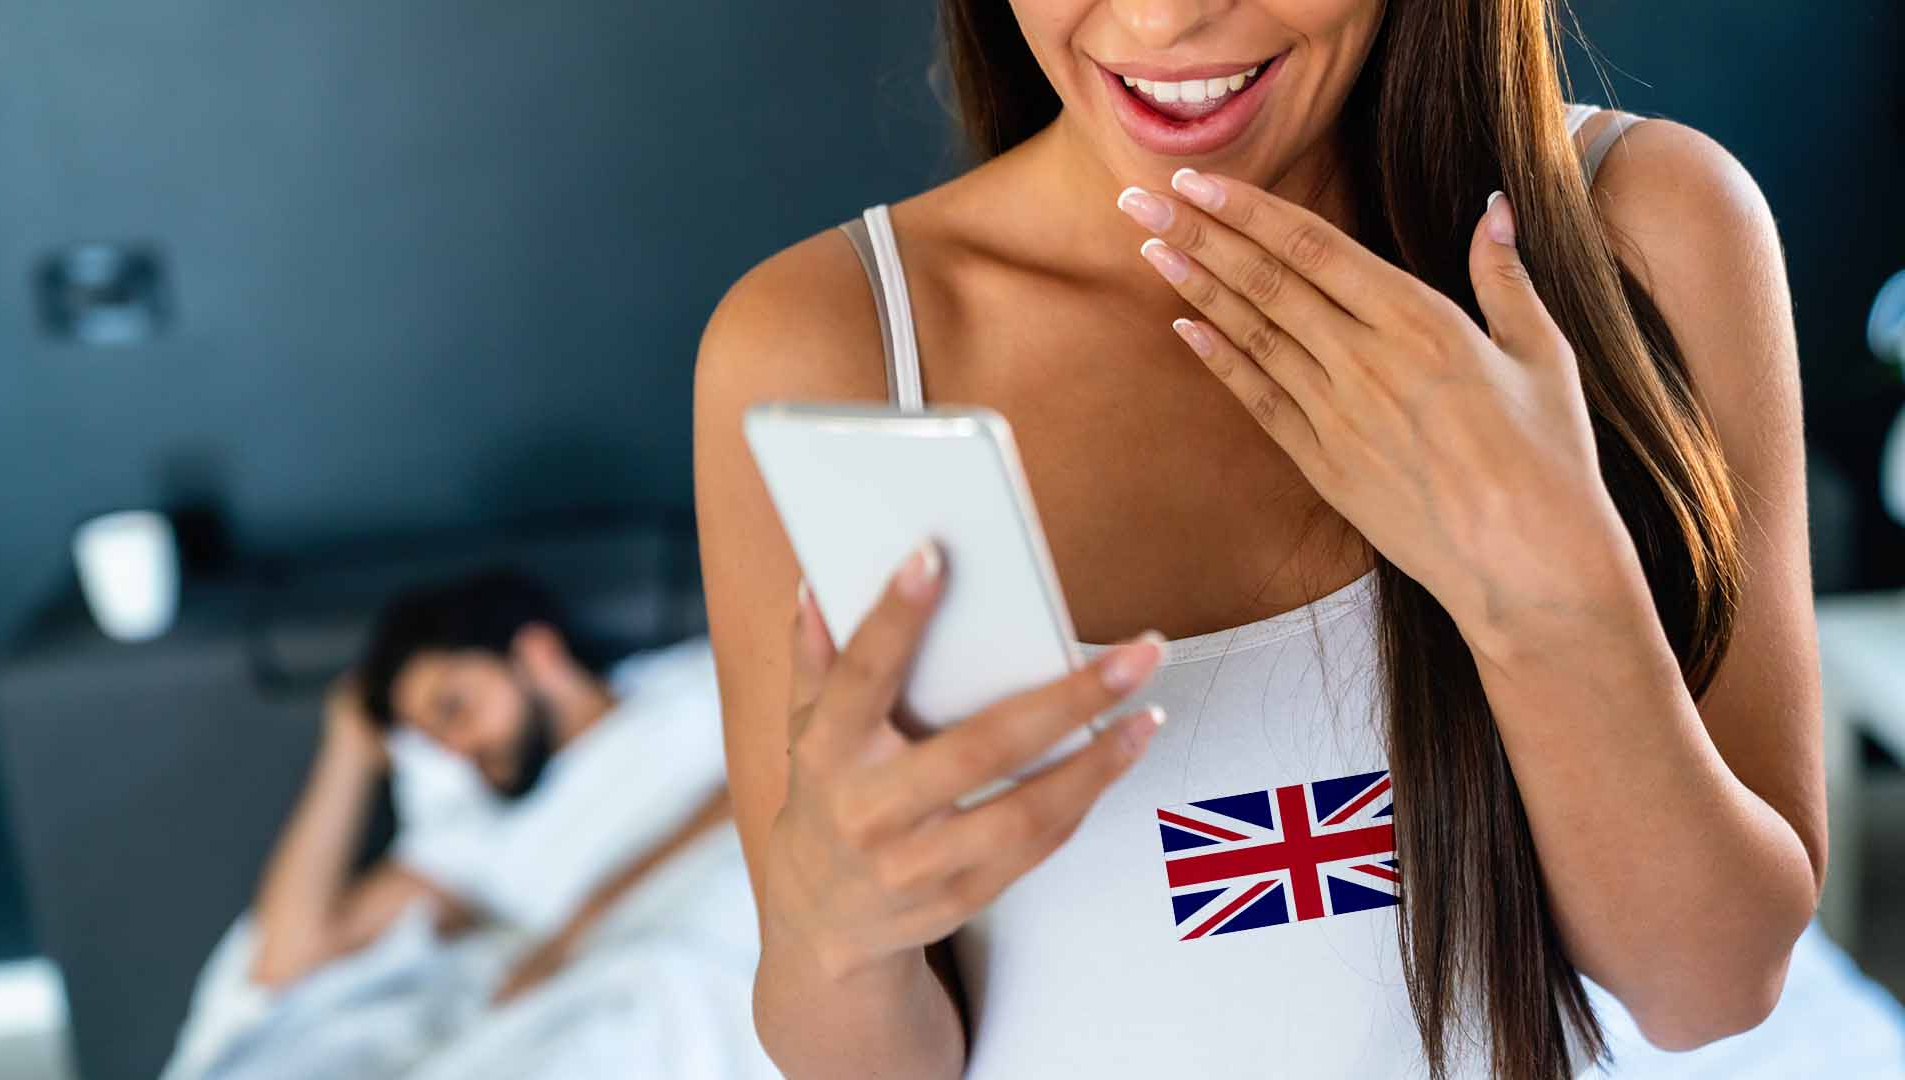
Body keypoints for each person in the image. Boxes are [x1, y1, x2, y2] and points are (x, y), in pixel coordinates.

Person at [692, 2, 1824, 1078]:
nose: (1164, 21)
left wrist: (1546, 595)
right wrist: (833, 929)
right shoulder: (826, 347)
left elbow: (1711, 987)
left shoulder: (1646, 230)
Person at [246, 567, 733, 1005]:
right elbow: (287, 958)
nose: (456, 749)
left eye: (454, 707)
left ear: (536, 654)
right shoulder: (474, 833)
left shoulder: (695, 684)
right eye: (433, 738)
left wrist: (583, 926)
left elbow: (778, 773)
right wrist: (347, 748)